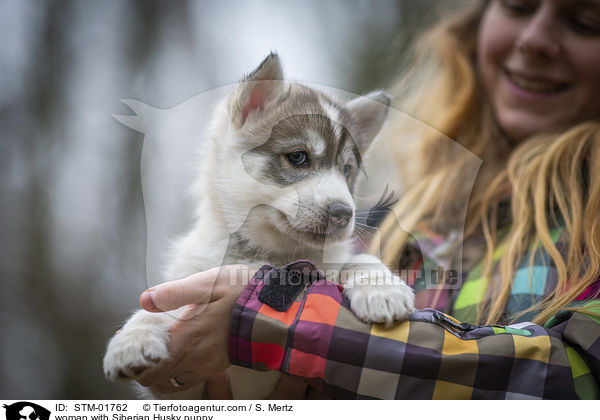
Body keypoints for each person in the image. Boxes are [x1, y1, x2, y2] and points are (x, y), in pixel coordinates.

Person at [133, 0, 600, 399]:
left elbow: (578, 381)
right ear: (477, 24)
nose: (536, 39)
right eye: (517, 5)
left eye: (584, 19)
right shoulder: (403, 221)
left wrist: (278, 321)